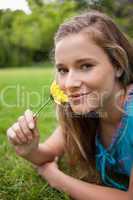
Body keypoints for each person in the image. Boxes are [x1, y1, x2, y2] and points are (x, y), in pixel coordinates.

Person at [7, 10, 133, 200]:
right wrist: (30, 149)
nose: (70, 83)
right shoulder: (88, 110)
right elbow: (47, 153)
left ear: (117, 65)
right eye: (63, 70)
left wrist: (55, 177)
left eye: (86, 66)